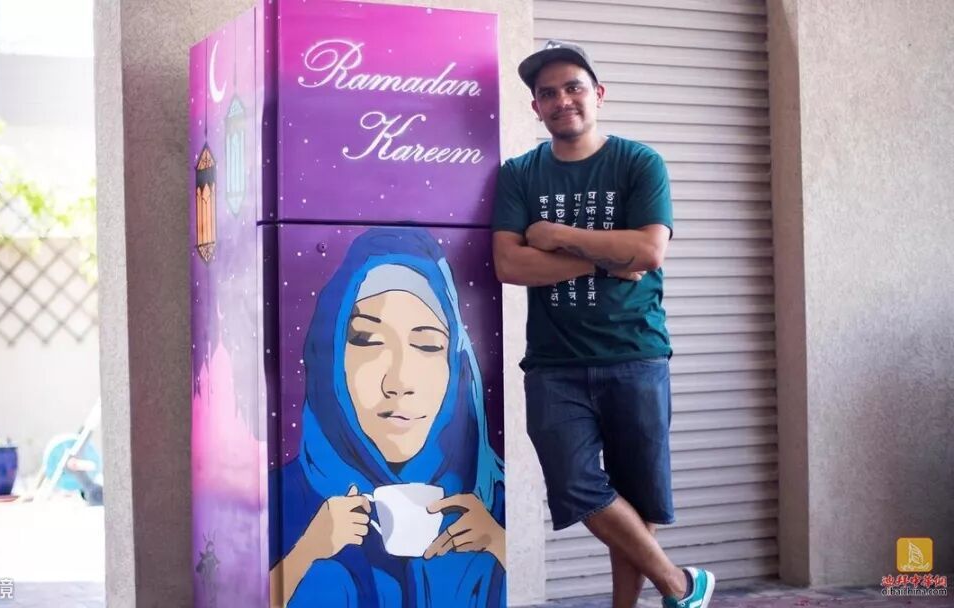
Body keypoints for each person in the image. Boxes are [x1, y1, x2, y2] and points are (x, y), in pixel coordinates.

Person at [491, 41, 715, 608]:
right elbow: (510, 264)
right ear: (536, 108)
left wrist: (556, 236)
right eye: (548, 93)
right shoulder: (519, 174)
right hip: (554, 364)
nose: (562, 99)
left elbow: (649, 251)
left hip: (635, 354)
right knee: (573, 485)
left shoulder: (639, 163)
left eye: (574, 87)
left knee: (636, 496)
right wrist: (604, 260)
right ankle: (681, 585)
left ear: (598, 94)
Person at [269, 227, 506, 608]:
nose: (398, 382)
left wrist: (496, 541)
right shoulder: (286, 496)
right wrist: (309, 549)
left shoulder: (490, 494)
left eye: (428, 345)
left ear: (457, 365)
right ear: (330, 357)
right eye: (367, 341)